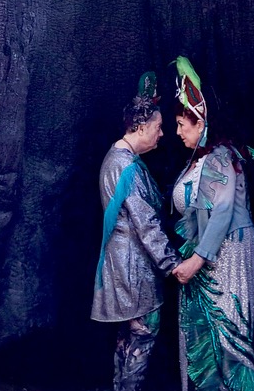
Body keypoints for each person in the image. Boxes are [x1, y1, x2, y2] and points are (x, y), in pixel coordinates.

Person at [171, 56, 254, 391]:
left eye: (182, 125)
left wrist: (198, 259)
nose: (177, 132)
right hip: (205, 257)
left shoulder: (222, 156)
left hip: (226, 254)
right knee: (206, 340)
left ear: (200, 124)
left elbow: (223, 209)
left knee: (229, 339)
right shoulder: (198, 160)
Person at [92, 73, 182, 391]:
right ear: (141, 127)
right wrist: (173, 265)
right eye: (158, 128)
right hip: (133, 270)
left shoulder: (124, 159)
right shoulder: (124, 164)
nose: (161, 135)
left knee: (127, 343)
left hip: (126, 265)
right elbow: (145, 223)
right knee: (141, 340)